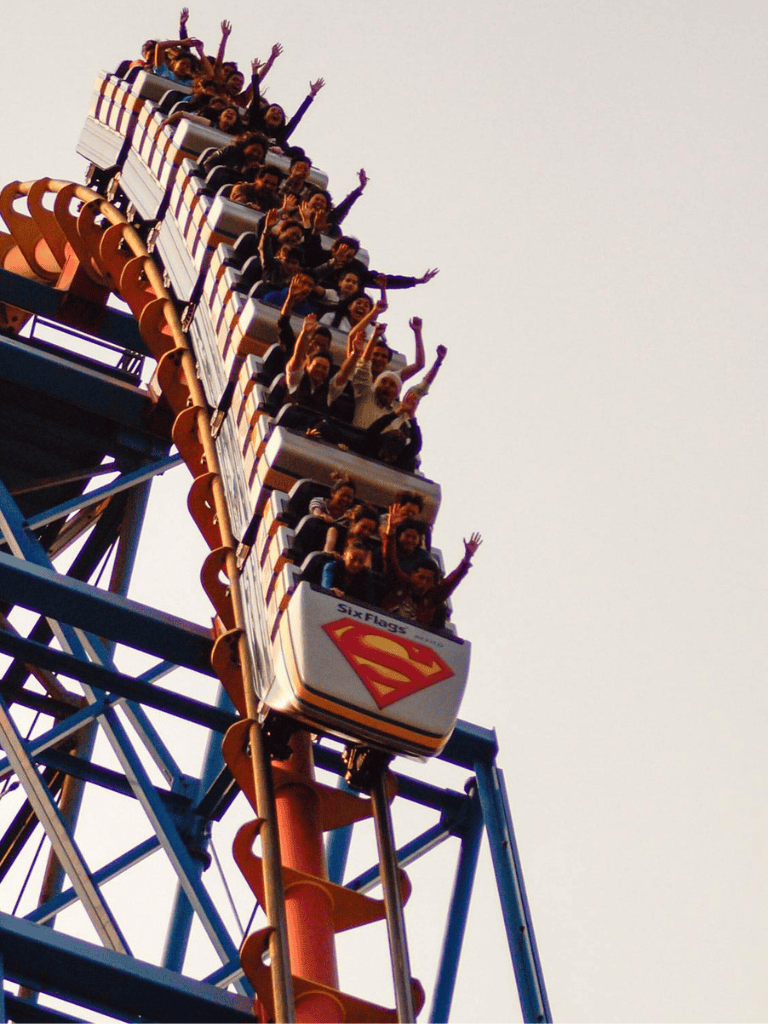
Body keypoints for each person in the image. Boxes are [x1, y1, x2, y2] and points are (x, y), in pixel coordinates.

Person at [382, 512, 482, 628]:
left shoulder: (432, 598)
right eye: (421, 577)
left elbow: (450, 582)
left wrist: (467, 558)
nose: (423, 583)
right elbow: (390, 560)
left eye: (428, 580)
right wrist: (391, 532)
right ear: (413, 575)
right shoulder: (400, 582)